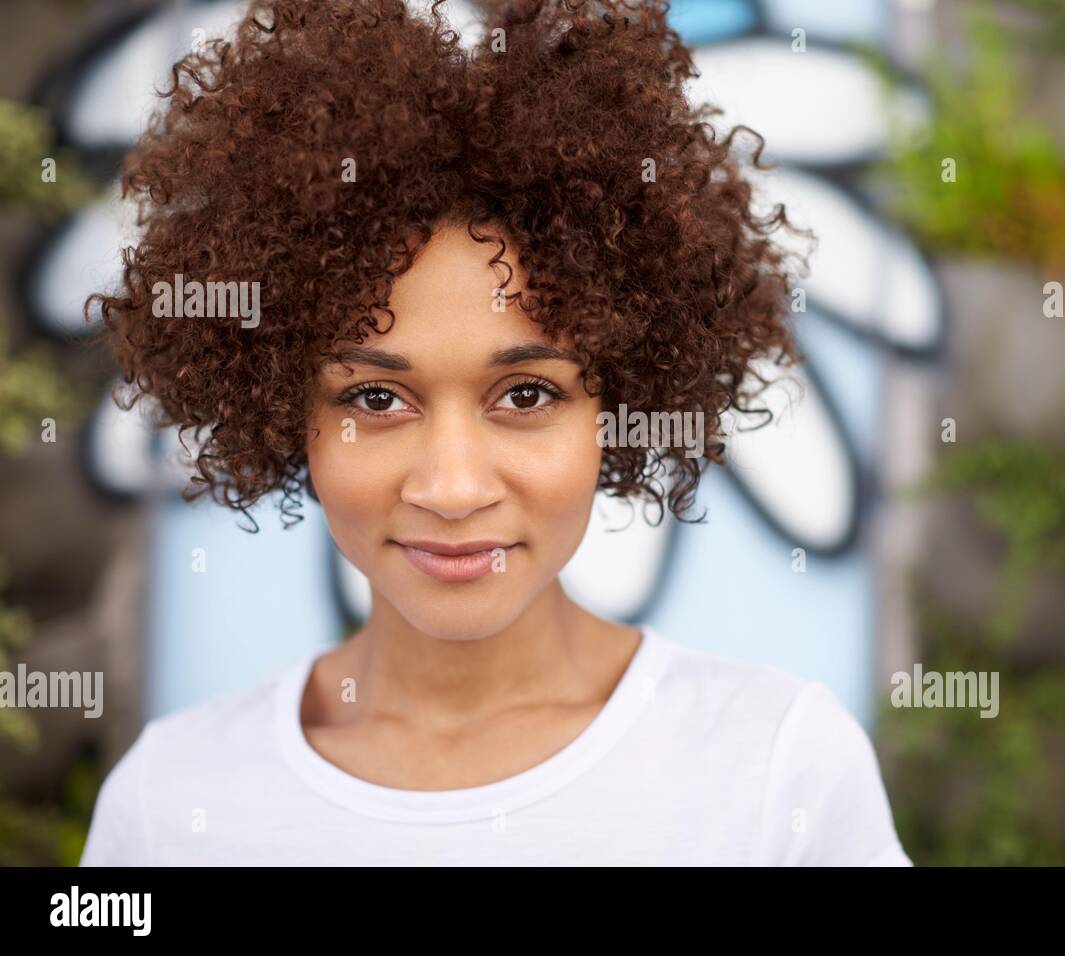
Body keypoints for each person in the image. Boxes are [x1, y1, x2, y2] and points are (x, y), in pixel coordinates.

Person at [80, 0, 911, 866]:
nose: (452, 486)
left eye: (523, 394)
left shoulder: (779, 771)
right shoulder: (173, 800)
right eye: (373, 398)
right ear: (287, 411)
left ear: (620, 404)